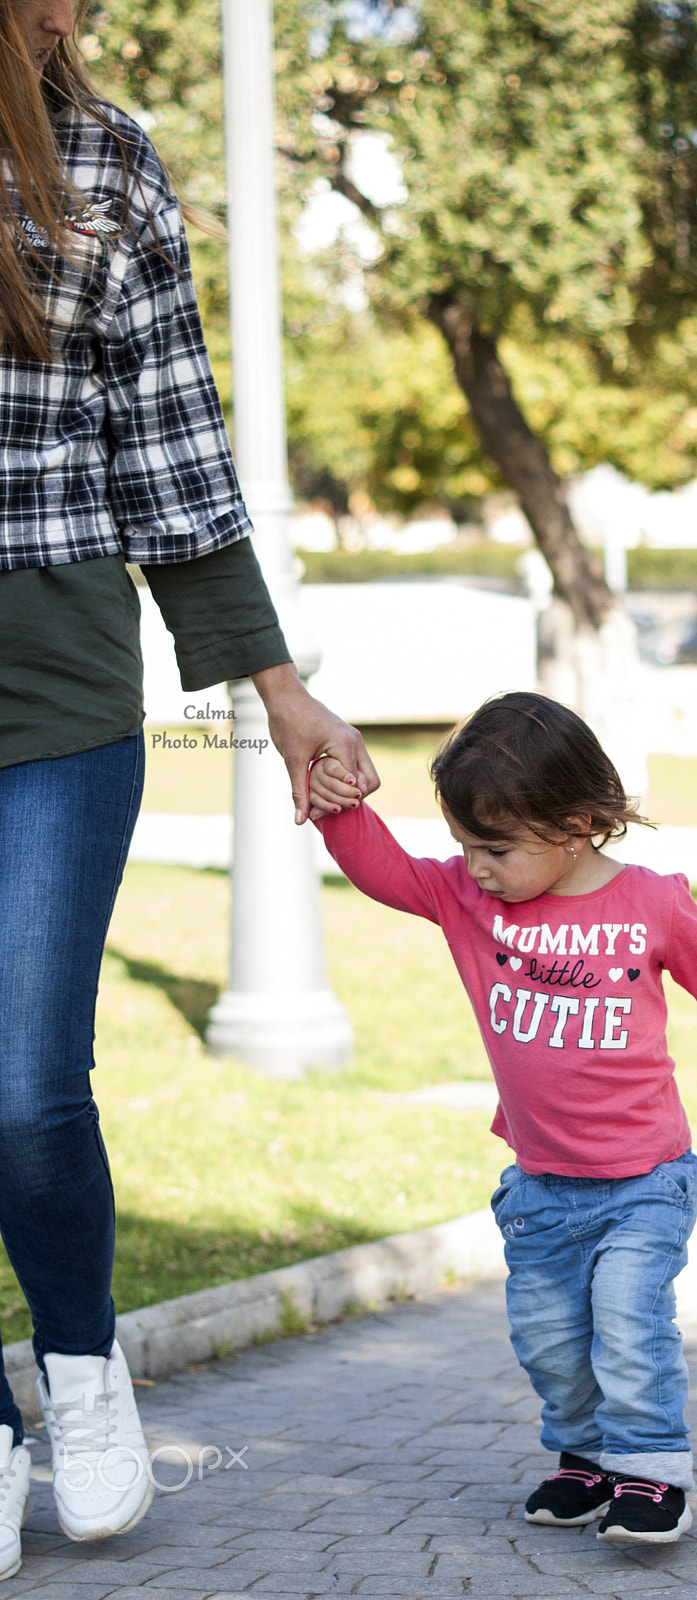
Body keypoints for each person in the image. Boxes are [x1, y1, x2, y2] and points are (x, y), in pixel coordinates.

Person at [0, 0, 376, 1578]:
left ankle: (83, 1375)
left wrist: (275, 690)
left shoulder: (103, 160)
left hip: (54, 677)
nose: (76, 8)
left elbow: (172, 449)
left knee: (23, 1083)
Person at [309, 690, 697, 1546]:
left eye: (494, 847)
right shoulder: (471, 900)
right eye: (464, 846)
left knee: (626, 1319)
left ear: (574, 826)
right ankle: (583, 1461)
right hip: (540, 1187)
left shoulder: (651, 905)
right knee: (547, 1341)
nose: (474, 865)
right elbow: (386, 871)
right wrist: (339, 810)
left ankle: (651, 1472)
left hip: (645, 1181)